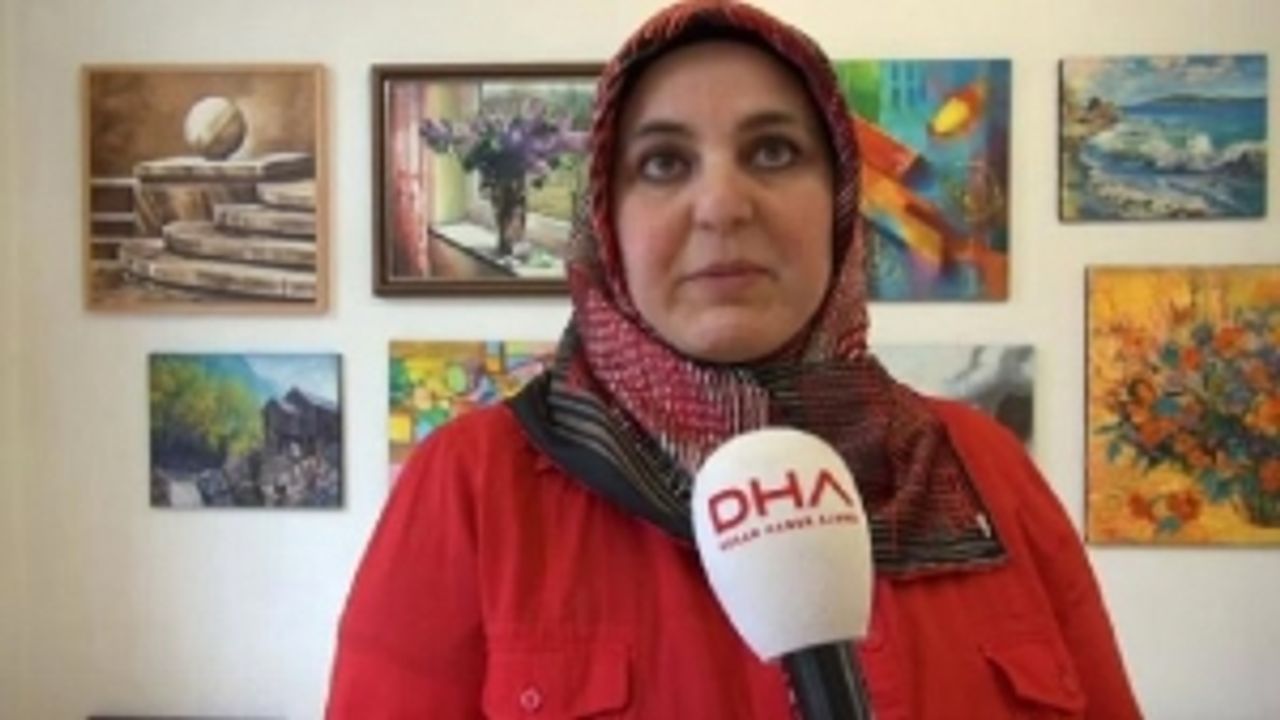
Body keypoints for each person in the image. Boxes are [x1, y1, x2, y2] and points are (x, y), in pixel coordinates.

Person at [326, 1, 1142, 717]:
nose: (721, 205)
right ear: (605, 222)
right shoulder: (473, 488)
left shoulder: (985, 471)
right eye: (663, 163)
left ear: (840, 203)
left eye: (774, 152)